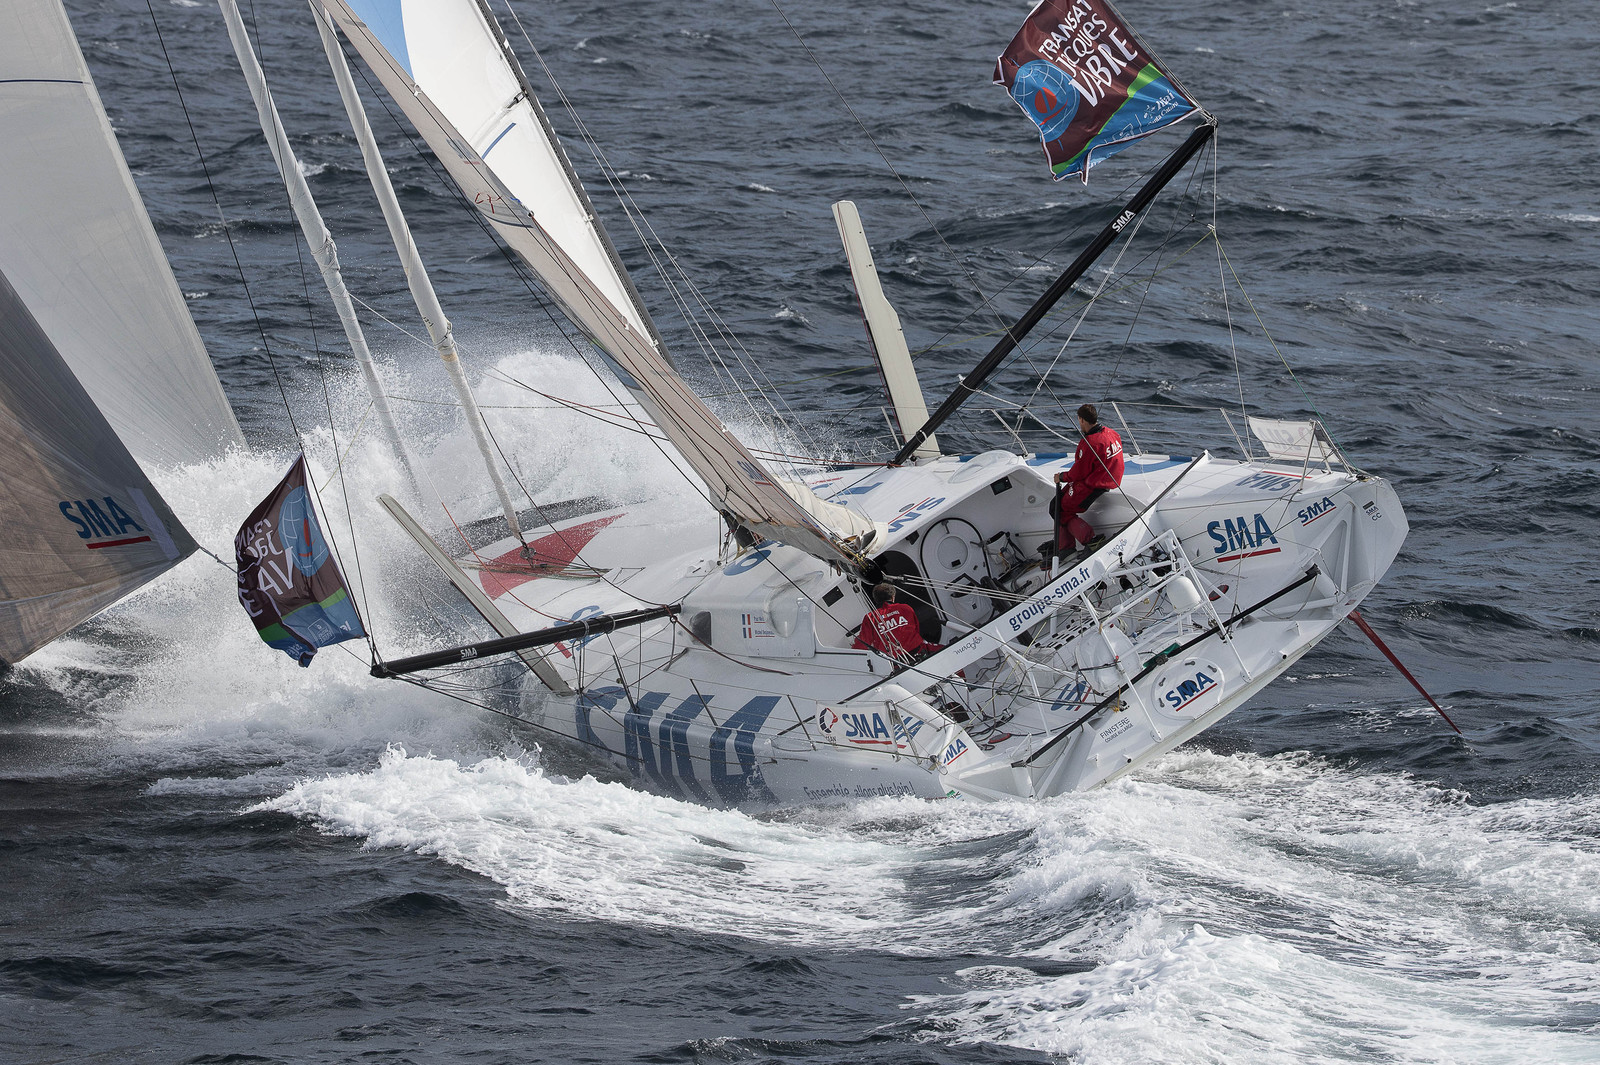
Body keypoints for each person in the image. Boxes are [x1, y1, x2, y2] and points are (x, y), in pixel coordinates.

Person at [1052, 403, 1124, 556]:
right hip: (1107, 477)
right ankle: (1065, 546)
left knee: (1059, 509)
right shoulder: (1112, 433)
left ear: (1082, 420)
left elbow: (1079, 472)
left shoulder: (1090, 443)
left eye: (1079, 420)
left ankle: (1089, 541)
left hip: (1095, 483)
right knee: (1056, 503)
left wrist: (1062, 477)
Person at [853, 583, 942, 660]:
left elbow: (862, 645)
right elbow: (916, 629)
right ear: (893, 597)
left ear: (875, 599)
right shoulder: (905, 608)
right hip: (919, 652)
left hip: (895, 663)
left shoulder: (870, 618)